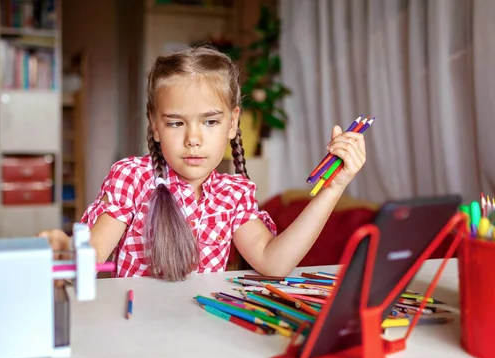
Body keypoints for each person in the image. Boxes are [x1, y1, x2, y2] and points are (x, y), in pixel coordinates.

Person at [39, 45, 367, 281]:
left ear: (233, 122)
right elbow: (91, 255)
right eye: (176, 123)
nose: (193, 139)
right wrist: (66, 249)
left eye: (209, 122)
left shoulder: (233, 194)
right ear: (154, 124)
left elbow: (274, 263)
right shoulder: (133, 178)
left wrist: (334, 187)